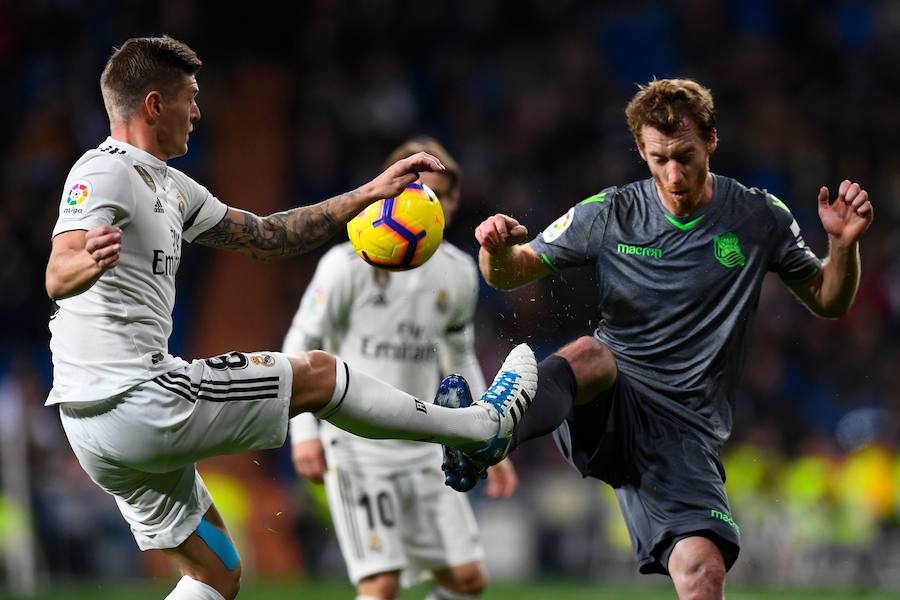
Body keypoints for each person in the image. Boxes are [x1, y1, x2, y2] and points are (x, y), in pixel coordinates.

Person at [45, 35, 536, 600]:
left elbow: (267, 237)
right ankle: (479, 428)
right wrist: (83, 265)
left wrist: (369, 193)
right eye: (190, 97)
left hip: (94, 426)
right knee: (320, 375)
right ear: (154, 105)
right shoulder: (105, 171)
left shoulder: (171, 186)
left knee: (216, 573)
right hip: (136, 397)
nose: (199, 111)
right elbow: (59, 270)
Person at [439, 78, 873, 600]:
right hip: (613, 400)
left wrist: (842, 246)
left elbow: (829, 298)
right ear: (641, 152)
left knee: (703, 572)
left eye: (685, 156)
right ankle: (489, 433)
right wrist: (495, 249)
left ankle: (484, 435)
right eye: (659, 158)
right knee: (592, 353)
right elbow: (510, 272)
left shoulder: (758, 216)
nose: (674, 174)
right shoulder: (612, 211)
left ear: (711, 141)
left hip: (685, 434)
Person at [286, 137, 518, 600]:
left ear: (451, 204)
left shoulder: (458, 272)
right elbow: (301, 344)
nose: (425, 203)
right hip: (356, 447)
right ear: (388, 194)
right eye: (414, 190)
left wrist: (490, 438)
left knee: (468, 581)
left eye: (439, 194)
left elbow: (460, 357)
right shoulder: (345, 265)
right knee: (381, 584)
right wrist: (305, 435)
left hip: (425, 447)